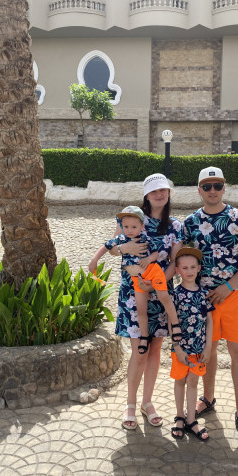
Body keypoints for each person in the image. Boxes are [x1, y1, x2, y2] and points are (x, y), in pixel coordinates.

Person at [88, 173, 183, 430]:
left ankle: (147, 402)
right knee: (139, 351)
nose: (159, 194)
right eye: (154, 191)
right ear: (146, 195)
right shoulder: (132, 216)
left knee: (155, 350)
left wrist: (159, 281)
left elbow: (175, 261)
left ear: (168, 193)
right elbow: (113, 248)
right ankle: (130, 404)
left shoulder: (175, 225)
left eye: (163, 190)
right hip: (133, 292)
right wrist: (125, 249)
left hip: (160, 290)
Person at [183, 166, 238, 447]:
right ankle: (207, 398)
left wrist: (229, 285)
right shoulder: (191, 222)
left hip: (235, 295)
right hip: (204, 299)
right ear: (199, 190)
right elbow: (178, 257)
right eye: (207, 186)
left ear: (224, 187)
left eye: (217, 185)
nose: (212, 190)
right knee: (209, 351)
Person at [102, 205, 182, 354]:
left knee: (164, 298)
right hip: (135, 282)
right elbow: (110, 247)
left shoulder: (169, 227)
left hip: (155, 275)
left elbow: (166, 257)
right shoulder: (130, 217)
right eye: (127, 226)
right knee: (141, 311)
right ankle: (144, 336)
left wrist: (148, 261)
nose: (130, 229)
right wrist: (124, 248)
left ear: (141, 226)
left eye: (134, 227)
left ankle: (175, 324)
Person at [169, 246, 214, 442]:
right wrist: (177, 348)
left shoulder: (204, 293)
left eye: (193, 267)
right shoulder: (175, 294)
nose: (189, 271)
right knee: (180, 381)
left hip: (199, 349)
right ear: (177, 270)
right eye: (185, 267)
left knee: (193, 382)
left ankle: (191, 420)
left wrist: (208, 347)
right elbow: (171, 322)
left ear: (199, 268)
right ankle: (180, 417)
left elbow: (210, 321)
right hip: (181, 350)